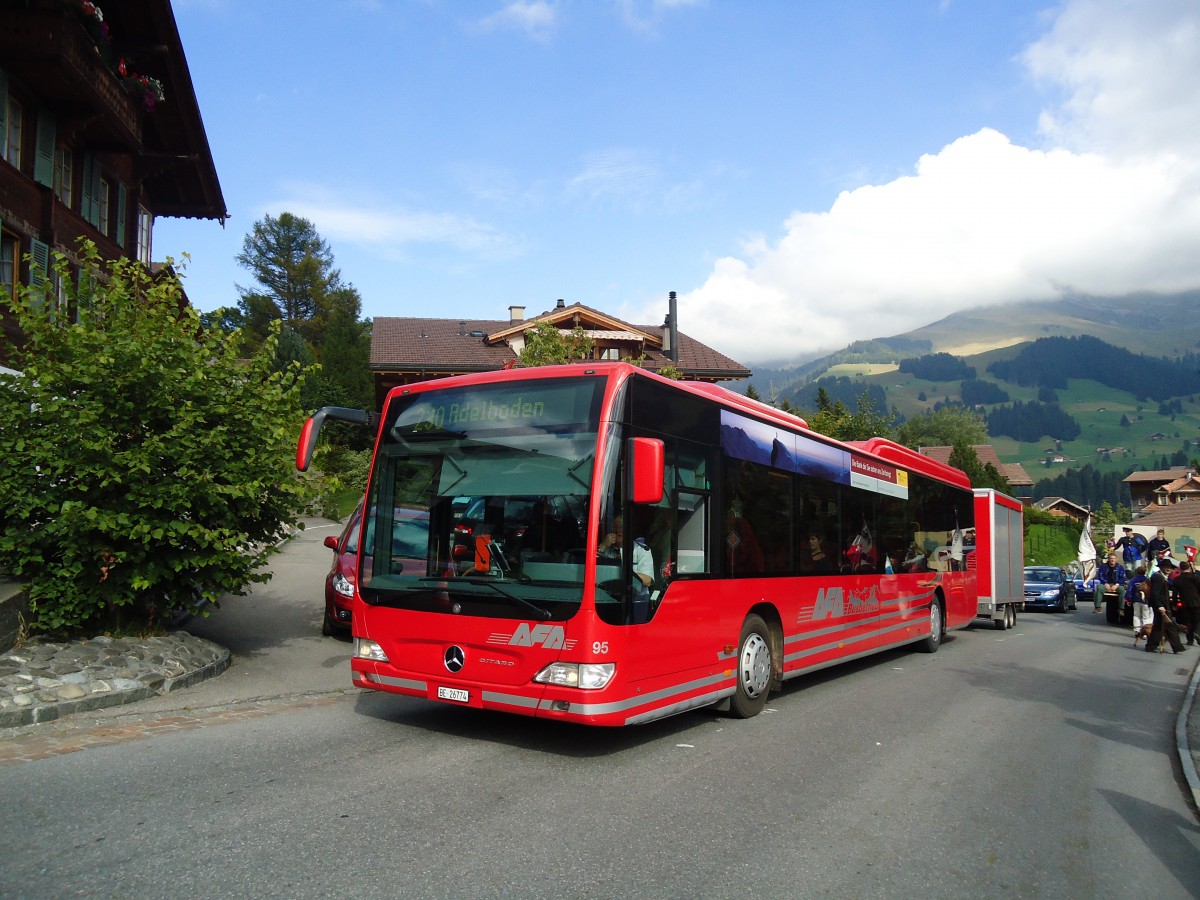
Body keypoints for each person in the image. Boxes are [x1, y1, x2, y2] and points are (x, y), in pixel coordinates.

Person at [1146, 558, 1186, 653]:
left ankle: (1151, 646)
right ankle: (1178, 647)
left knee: (1158, 627)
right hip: (1161, 606)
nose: (1168, 569)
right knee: (1170, 626)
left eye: (1170, 567)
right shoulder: (1157, 577)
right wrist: (1160, 606)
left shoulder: (1163, 577)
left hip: (1164, 605)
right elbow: (1155, 593)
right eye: (1166, 567)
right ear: (1161, 567)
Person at [1172, 559, 1200, 646]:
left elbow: (1174, 593)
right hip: (1197, 601)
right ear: (1189, 568)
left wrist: (1174, 604)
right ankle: (1197, 632)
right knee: (1197, 619)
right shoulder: (1195, 577)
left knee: (1187, 621)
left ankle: (1190, 640)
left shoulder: (1177, 579)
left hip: (1184, 602)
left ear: (1180, 568)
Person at [1127, 565, 1152, 645]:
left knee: (1136, 615)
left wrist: (1128, 599)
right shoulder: (1147, 580)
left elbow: (1129, 590)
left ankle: (1137, 631)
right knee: (1146, 616)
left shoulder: (1133, 580)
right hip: (1146, 601)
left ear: (1136, 572)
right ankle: (1146, 631)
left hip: (1136, 600)